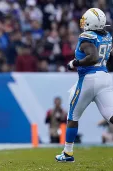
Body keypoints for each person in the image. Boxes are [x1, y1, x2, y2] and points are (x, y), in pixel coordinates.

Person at [55, 8, 113, 162]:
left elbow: (92, 57)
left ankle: (67, 153)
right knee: (111, 116)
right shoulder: (107, 35)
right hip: (105, 77)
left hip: (89, 78)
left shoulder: (87, 36)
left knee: (72, 116)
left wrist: (74, 63)